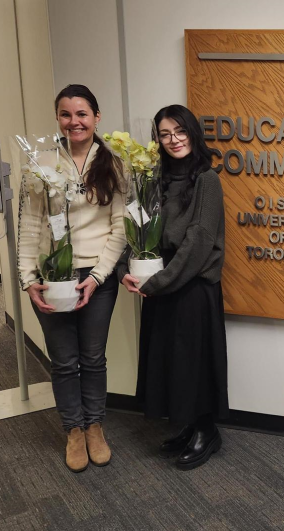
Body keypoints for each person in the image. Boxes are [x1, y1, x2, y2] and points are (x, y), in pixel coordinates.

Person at [19, 84, 126, 472]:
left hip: (98, 278)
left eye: (82, 114)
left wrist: (97, 277)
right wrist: (29, 278)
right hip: (53, 276)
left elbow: (120, 227)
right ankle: (74, 431)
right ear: (58, 119)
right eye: (66, 114)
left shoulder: (113, 163)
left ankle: (95, 426)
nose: (74, 121)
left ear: (97, 117)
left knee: (93, 358)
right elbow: (29, 226)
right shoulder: (41, 163)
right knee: (63, 361)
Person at [119, 104, 228, 471]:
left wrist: (158, 282)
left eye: (179, 131)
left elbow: (198, 243)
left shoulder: (207, 180)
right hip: (161, 284)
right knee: (172, 362)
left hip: (191, 286)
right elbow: (138, 227)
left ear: (192, 133)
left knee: (193, 362)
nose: (173, 140)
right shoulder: (154, 178)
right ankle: (188, 426)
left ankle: (206, 431)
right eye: (165, 134)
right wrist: (129, 269)